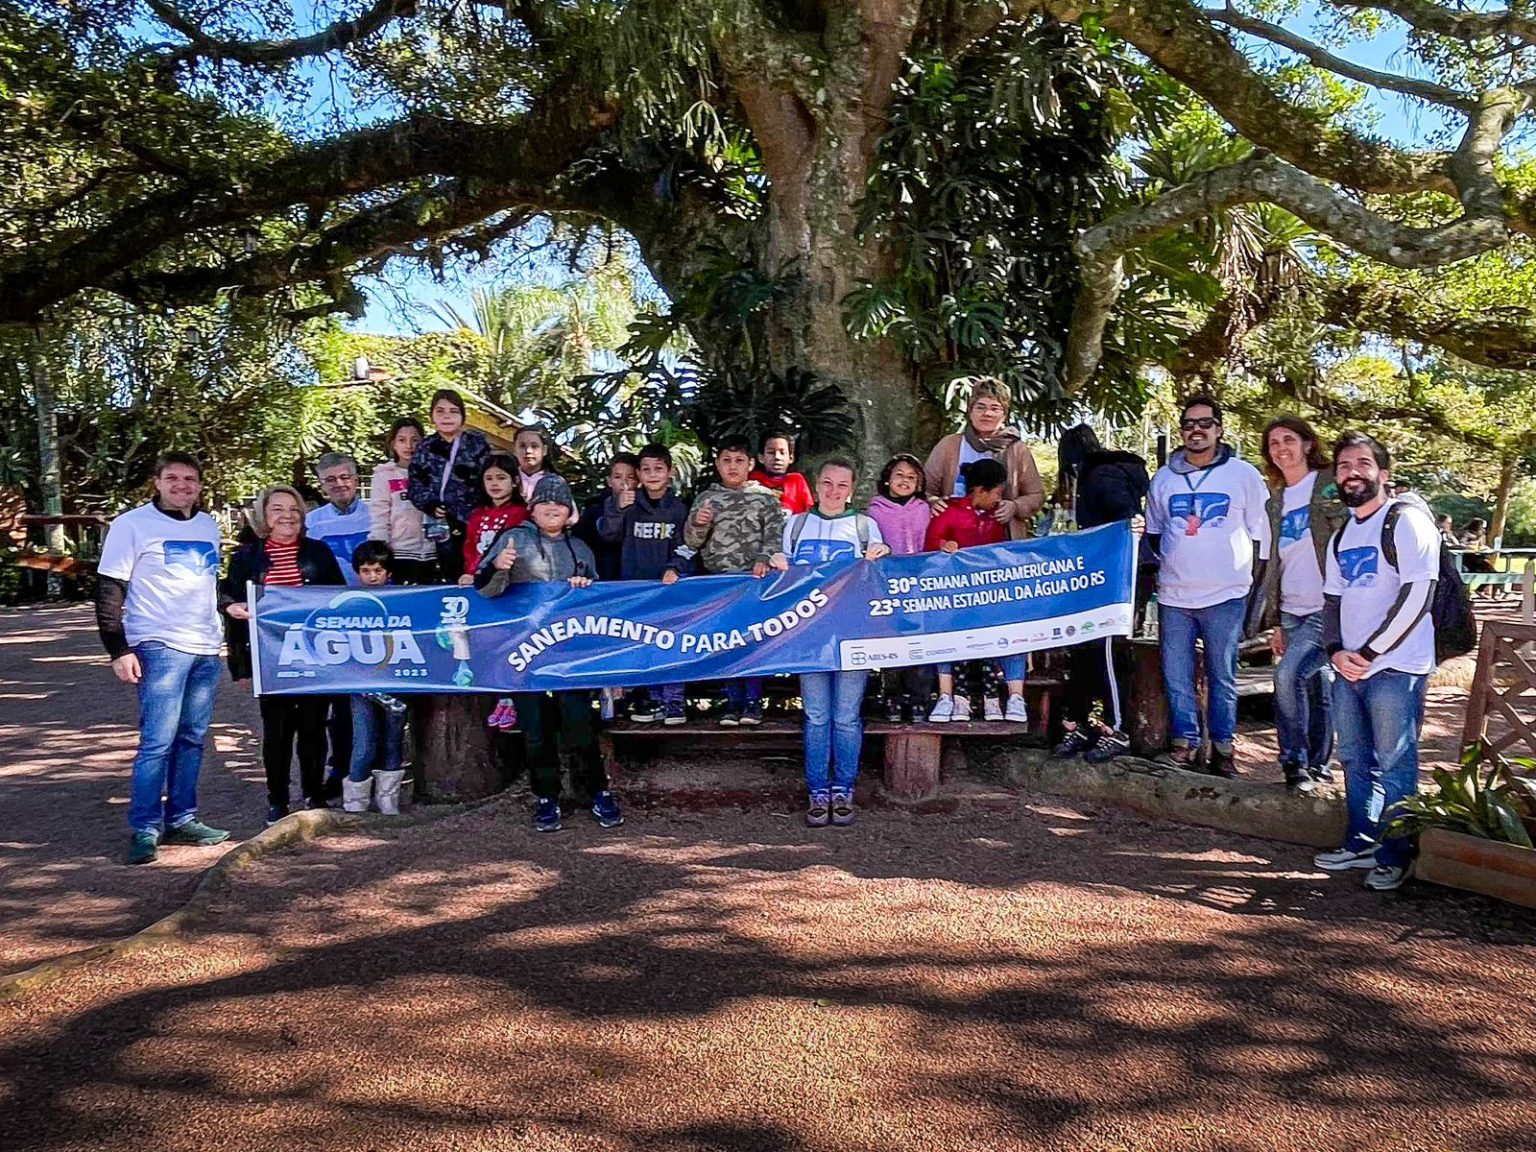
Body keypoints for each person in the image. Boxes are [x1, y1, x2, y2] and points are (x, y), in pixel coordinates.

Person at [1314, 432, 1440, 892]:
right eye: (1344, 465)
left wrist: (1370, 653)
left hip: (1396, 668)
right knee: (1353, 758)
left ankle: (1396, 853)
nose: (1352, 472)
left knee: (1395, 762)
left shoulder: (1406, 522)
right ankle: (1361, 840)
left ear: (1383, 475)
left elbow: (1418, 596)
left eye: (1363, 464)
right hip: (1348, 669)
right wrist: (1336, 652)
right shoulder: (1343, 533)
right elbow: (1331, 601)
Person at [95, 452, 230, 865]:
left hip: (206, 648)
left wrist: (233, 606)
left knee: (192, 738)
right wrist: (118, 649)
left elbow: (206, 584)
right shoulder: (131, 525)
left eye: (190, 479)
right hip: (159, 645)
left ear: (200, 485)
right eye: (172, 478)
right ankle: (146, 828)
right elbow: (109, 588)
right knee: (158, 740)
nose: (181, 486)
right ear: (157, 482)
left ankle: (183, 818)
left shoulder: (208, 526)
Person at [475, 475, 623, 833]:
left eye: (559, 503)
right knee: (536, 729)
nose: (552, 508)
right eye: (545, 503)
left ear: (569, 510)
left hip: (569, 655)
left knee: (579, 724)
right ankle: (546, 796)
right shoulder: (513, 539)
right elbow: (486, 591)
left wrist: (584, 586)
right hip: (525, 654)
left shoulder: (582, 548)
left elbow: (595, 602)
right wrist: (499, 568)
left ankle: (596, 791)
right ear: (533, 508)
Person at [1144, 394, 1271, 776]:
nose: (1196, 431)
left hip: (1226, 594)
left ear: (1219, 429)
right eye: (1188, 424)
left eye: (1204, 424)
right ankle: (1184, 744)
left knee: (1223, 674)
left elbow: (1261, 534)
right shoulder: (1164, 478)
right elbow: (1154, 532)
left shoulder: (1243, 475)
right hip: (1174, 595)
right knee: (1176, 674)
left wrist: (1260, 592)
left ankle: (1224, 749)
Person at [222, 485, 348, 826]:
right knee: (277, 732)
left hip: (314, 655)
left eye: (293, 509)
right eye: (278, 509)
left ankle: (313, 793)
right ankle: (277, 798)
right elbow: (229, 602)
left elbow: (337, 600)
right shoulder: (246, 557)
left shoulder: (318, 553)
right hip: (270, 658)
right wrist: (240, 665)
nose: (287, 515)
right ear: (264, 516)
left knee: (313, 728)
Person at [776, 458, 889, 825]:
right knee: (816, 716)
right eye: (827, 483)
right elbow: (784, 580)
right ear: (816, 484)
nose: (834, 491)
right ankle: (817, 790)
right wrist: (777, 561)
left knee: (845, 717)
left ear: (852, 489)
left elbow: (879, 575)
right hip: (808, 637)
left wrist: (881, 556)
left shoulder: (864, 526)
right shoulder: (795, 526)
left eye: (842, 485)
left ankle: (844, 789)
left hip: (851, 635)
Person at [1050, 424, 1148, 764]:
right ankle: (1080, 722)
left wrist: (1129, 529)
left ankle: (1118, 727)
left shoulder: (1100, 475)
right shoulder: (1098, 474)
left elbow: (1125, 520)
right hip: (1097, 576)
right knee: (1085, 651)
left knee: (1107, 651)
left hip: (1113, 578)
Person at [1260, 416, 1346, 793]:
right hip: (1292, 608)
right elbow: (1277, 563)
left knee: (1286, 677)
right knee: (1316, 685)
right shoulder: (1274, 502)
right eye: (1274, 443)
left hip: (1327, 606)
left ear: (1308, 444)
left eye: (1289, 439)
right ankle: (1319, 765)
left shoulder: (1329, 484)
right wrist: (1276, 620)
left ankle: (1295, 763)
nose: (1281, 448)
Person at [685, 437, 787, 726]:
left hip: (756, 583)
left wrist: (765, 558)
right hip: (718, 584)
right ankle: (732, 701)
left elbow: (776, 535)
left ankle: (753, 702)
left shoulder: (765, 497)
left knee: (753, 642)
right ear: (717, 464)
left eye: (739, 460)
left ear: (751, 464)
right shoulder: (706, 498)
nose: (732, 466)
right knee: (726, 642)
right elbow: (691, 542)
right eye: (726, 461)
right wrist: (699, 524)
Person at [924, 458, 1029, 725]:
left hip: (988, 599)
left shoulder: (996, 519)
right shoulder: (949, 512)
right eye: (996, 493)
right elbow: (929, 547)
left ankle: (1002, 698)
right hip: (952, 599)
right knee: (947, 635)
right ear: (980, 490)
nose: (998, 499)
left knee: (1012, 629)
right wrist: (943, 545)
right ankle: (950, 696)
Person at [599, 443, 692, 725]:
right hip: (635, 589)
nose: (652, 474)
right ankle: (651, 699)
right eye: (646, 469)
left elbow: (688, 546)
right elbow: (608, 536)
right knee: (644, 642)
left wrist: (675, 567)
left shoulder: (678, 509)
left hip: (669, 589)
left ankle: (675, 700)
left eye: (659, 469)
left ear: (670, 472)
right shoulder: (623, 503)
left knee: (672, 641)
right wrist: (617, 509)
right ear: (638, 473)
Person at [923, 376, 1045, 539]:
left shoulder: (1017, 450)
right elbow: (924, 488)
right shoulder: (949, 445)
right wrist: (932, 502)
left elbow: (1036, 495)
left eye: (995, 408)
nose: (987, 413)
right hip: (953, 543)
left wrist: (1014, 507)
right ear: (970, 410)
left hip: (1002, 542)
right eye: (981, 407)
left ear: (1004, 414)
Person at [460, 453, 529, 731]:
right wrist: (470, 572)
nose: (495, 484)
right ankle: (497, 695)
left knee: (511, 643)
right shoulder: (477, 516)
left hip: (510, 588)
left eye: (501, 478)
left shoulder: (520, 514)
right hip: (480, 585)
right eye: (489, 478)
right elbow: (470, 547)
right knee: (486, 642)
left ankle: (511, 698)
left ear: (514, 481)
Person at [344, 541, 410, 815]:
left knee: (393, 740)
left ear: (388, 573)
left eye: (378, 571)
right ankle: (355, 802)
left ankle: (388, 800)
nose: (372, 576)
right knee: (364, 742)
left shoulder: (401, 601)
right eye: (366, 570)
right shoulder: (349, 603)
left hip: (395, 683)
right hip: (359, 686)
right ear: (357, 572)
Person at [867, 453, 934, 722]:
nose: (904, 481)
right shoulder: (874, 510)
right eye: (899, 475)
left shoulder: (924, 508)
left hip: (920, 584)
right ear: (887, 479)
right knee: (891, 638)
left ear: (918, 483)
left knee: (920, 639)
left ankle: (919, 699)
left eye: (911, 477)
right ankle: (892, 696)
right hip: (888, 584)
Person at [408, 388, 491, 582]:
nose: (447, 416)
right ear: (432, 417)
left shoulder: (476, 443)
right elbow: (415, 485)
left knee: (479, 572)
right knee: (451, 575)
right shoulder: (425, 448)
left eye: (453, 411)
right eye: (440, 411)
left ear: (462, 416)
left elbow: (490, 477)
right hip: (441, 524)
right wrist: (430, 505)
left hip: (474, 522)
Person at [368, 417, 437, 585]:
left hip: (433, 552)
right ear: (393, 444)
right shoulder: (383, 475)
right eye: (402, 440)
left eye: (415, 440)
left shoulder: (434, 472)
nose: (409, 446)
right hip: (400, 553)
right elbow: (379, 513)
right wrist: (379, 549)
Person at [308, 452, 372, 586]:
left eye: (345, 477)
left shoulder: (378, 515)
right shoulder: (310, 522)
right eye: (330, 479)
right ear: (322, 484)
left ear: (356, 480)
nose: (339, 483)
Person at [574, 452, 639, 581]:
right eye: (618, 477)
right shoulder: (594, 510)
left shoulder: (647, 509)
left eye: (630, 477)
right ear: (609, 481)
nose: (624, 483)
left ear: (638, 481)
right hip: (603, 578)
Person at [750, 430, 814, 514]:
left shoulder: (796, 480)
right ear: (761, 457)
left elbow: (809, 510)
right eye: (771, 452)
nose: (777, 457)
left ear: (791, 458)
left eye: (782, 452)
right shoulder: (753, 480)